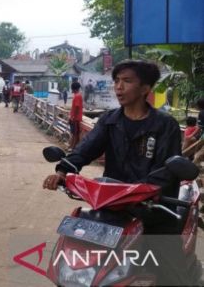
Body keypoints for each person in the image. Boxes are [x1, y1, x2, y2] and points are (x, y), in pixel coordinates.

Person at [43, 60, 197, 286]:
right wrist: (64, 171)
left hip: (153, 209)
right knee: (78, 255)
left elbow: (167, 168)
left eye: (127, 81)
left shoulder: (166, 125)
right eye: (116, 81)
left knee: (170, 272)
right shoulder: (109, 120)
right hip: (112, 205)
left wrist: (140, 191)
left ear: (145, 88)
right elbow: (87, 148)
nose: (118, 87)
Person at [67, 82, 82, 151]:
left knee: (75, 133)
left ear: (74, 89)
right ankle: (72, 146)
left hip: (75, 118)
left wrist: (72, 117)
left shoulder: (77, 96)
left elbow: (76, 107)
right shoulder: (77, 96)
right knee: (74, 133)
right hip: (75, 118)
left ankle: (72, 148)